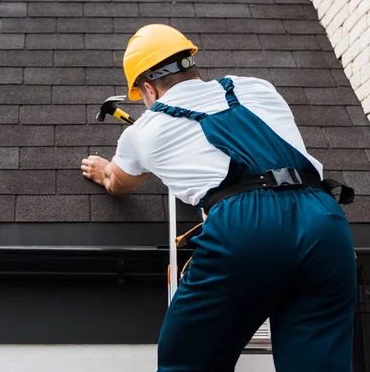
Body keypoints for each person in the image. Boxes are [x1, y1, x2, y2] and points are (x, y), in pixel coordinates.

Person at [81, 24, 356, 372]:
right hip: (323, 219)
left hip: (248, 229)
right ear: (190, 64)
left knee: (185, 362)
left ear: (147, 89)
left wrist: (104, 167)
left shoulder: (142, 133)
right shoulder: (258, 87)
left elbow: (117, 181)